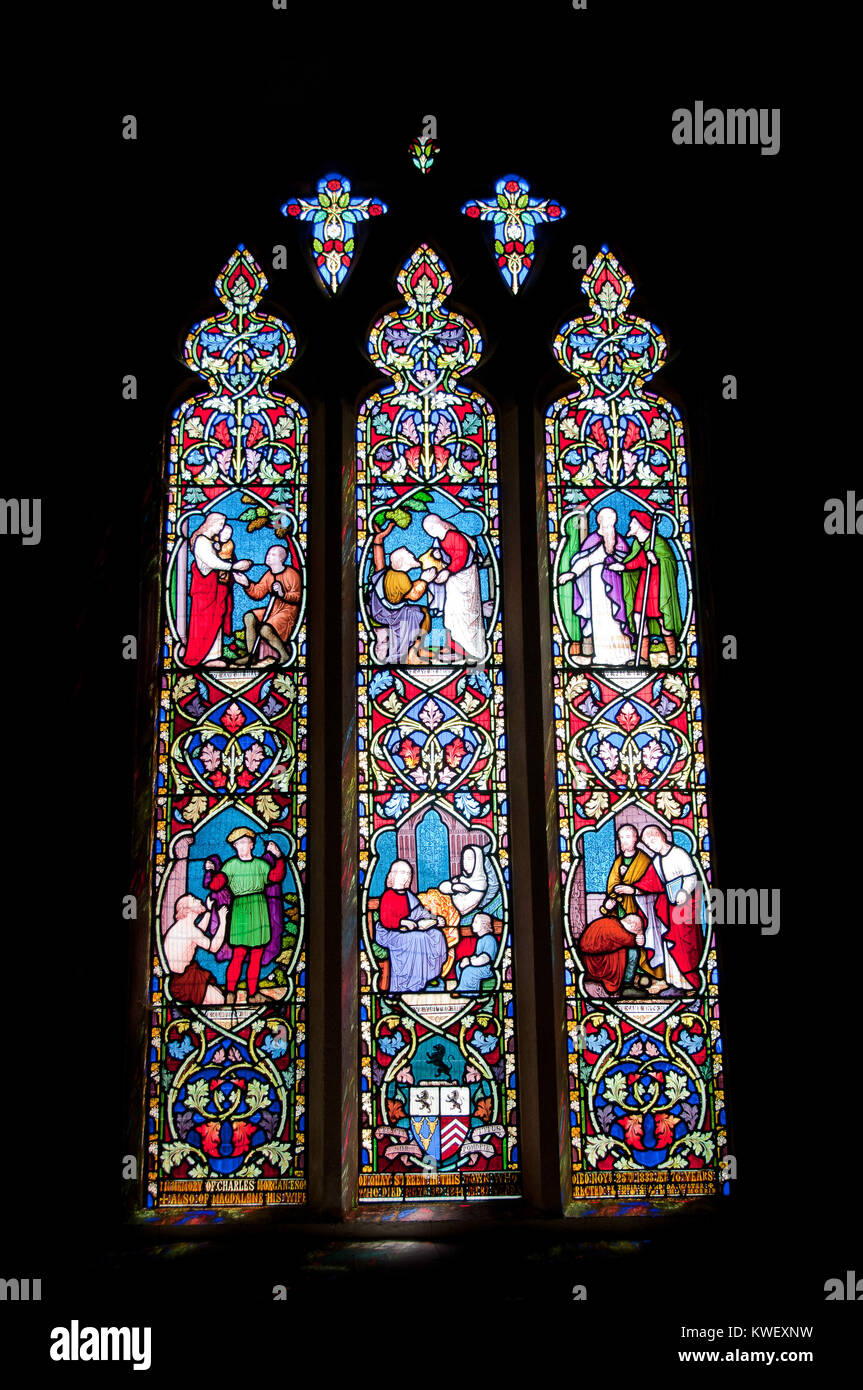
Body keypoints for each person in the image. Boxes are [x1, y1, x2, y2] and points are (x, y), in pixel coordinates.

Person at [205, 828, 286, 1004]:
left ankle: (252, 993)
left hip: (259, 910)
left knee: (256, 956)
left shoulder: (260, 865)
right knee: (238, 955)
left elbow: (276, 876)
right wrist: (210, 871)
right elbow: (216, 884)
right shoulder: (230, 866)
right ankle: (230, 993)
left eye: (243, 843)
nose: (240, 847)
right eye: (237, 844)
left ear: (251, 844)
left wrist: (278, 856)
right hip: (240, 911)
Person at [557, 507, 633, 665]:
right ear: (599, 521)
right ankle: (604, 654)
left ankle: (623, 653)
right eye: (607, 520)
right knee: (601, 618)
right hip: (597, 584)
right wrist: (572, 573)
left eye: (612, 521)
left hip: (615, 584)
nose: (610, 524)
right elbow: (586, 560)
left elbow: (628, 559)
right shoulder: (592, 540)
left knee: (616, 617)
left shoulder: (618, 540)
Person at [610, 511, 683, 664]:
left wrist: (656, 560)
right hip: (644, 586)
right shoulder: (639, 544)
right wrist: (623, 567)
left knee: (663, 620)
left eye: (633, 522)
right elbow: (637, 562)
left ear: (640, 525)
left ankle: (672, 655)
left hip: (658, 587)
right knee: (639, 618)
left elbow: (669, 563)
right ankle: (642, 658)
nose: (629, 525)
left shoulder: (658, 542)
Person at [184, 512, 252, 667]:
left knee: (216, 620)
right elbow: (211, 562)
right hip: (204, 590)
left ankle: (214, 655)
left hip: (214, 587)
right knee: (204, 623)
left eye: (222, 525)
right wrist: (234, 566)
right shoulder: (201, 541)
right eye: (220, 525)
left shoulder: (210, 541)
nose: (221, 528)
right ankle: (202, 657)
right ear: (211, 523)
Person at [639, 826, 701, 990]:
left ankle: (690, 982)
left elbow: (692, 876)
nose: (651, 846)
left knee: (685, 944)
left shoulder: (679, 854)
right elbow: (649, 882)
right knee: (671, 942)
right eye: (648, 844)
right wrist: (632, 889)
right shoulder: (657, 861)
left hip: (686, 904)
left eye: (652, 841)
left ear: (660, 837)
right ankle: (674, 980)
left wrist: (685, 891)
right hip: (670, 906)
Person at [374, 859, 447, 993]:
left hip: (408, 931)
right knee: (417, 938)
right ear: (393, 875)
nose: (406, 876)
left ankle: (429, 976)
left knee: (437, 935)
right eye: (403, 873)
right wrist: (403, 922)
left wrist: (436, 919)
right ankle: (407, 984)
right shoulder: (388, 896)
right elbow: (386, 919)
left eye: (408, 873)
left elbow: (421, 912)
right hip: (391, 933)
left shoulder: (409, 895)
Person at [421, 513, 485, 661]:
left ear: (440, 524)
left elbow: (461, 558)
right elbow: (452, 557)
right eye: (427, 530)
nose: (430, 532)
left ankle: (468, 650)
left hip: (464, 582)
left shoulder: (453, 536)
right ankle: (454, 647)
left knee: (463, 614)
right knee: (451, 615)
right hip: (455, 582)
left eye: (431, 527)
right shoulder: (444, 539)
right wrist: (440, 556)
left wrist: (448, 571)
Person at [368, 538, 436, 664]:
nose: (412, 555)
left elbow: (378, 561)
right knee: (422, 613)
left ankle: (417, 650)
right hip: (390, 614)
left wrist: (378, 539)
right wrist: (425, 580)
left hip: (377, 609)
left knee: (417, 612)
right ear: (404, 562)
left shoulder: (388, 572)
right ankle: (414, 650)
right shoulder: (401, 578)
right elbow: (414, 595)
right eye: (410, 555)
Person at [240, 544, 302, 667]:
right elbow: (258, 593)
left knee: (265, 629)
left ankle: (284, 656)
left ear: (281, 559)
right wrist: (246, 583)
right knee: (249, 617)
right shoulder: (269, 575)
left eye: (272, 554)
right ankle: (251, 655)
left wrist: (282, 593)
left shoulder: (291, 574)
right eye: (268, 553)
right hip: (273, 609)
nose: (268, 556)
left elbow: (297, 596)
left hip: (288, 611)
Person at [163, 894, 228, 1006]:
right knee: (220, 1001)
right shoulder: (189, 929)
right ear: (187, 910)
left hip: (183, 976)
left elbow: (199, 933)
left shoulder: (184, 926)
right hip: (183, 982)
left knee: (217, 993)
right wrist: (223, 921)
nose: (198, 900)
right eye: (194, 900)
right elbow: (213, 947)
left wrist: (208, 911)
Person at [577, 907, 644, 995]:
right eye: (636, 930)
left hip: (591, 958)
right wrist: (639, 936)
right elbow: (630, 940)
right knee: (632, 952)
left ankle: (627, 984)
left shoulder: (613, 921)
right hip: (596, 963)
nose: (634, 933)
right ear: (632, 926)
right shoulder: (616, 929)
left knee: (625, 950)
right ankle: (626, 985)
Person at [453, 913, 497, 995]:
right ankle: (463, 989)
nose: (472, 924)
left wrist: (470, 962)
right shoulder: (481, 939)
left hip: (487, 968)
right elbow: (477, 956)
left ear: (484, 925)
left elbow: (485, 958)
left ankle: (467, 992)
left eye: (475, 922)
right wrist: (467, 960)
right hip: (481, 966)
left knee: (469, 970)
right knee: (459, 965)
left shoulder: (489, 939)